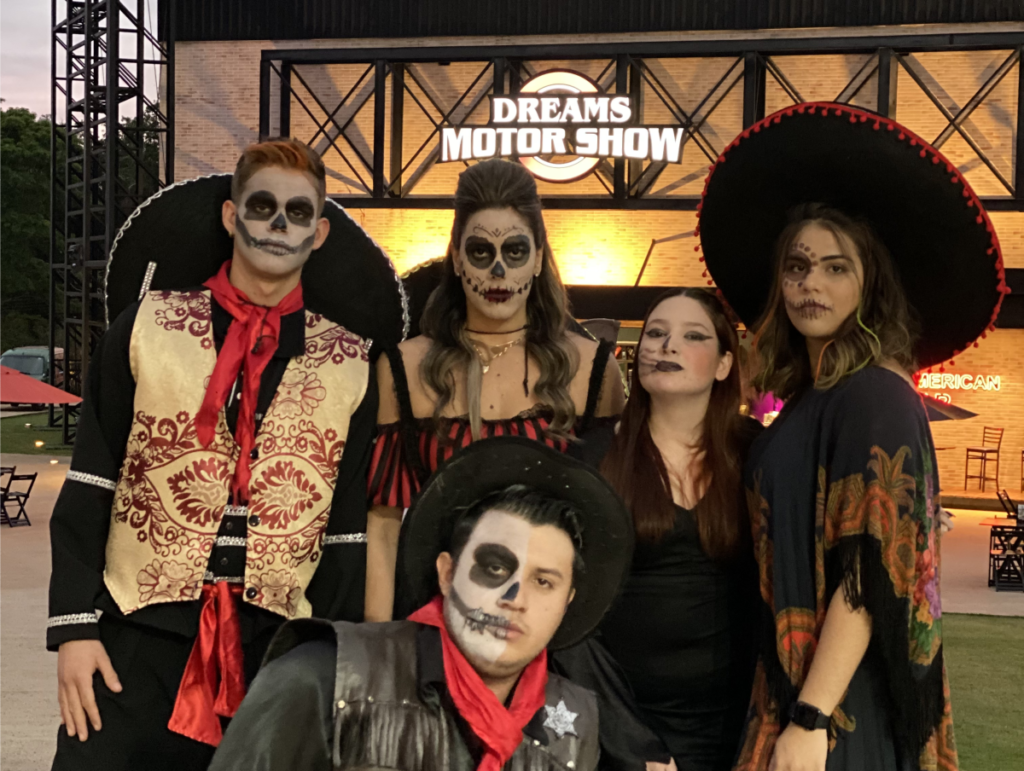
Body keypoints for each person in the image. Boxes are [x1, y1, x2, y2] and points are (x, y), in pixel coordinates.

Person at [47, 138, 406, 770]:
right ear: (231, 215)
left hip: (277, 650)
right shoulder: (147, 327)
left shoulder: (349, 362)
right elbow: (92, 478)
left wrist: (336, 661)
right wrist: (75, 625)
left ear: (318, 233)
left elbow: (345, 533)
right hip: (136, 633)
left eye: (298, 211)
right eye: (262, 205)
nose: (279, 224)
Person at [699, 102, 1007, 771]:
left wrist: (811, 717)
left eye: (836, 267)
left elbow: (869, 569)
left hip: (840, 710)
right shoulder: (813, 400)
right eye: (798, 266)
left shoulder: (874, 394)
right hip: (790, 688)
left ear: (870, 284)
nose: (811, 283)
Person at [207, 436, 635, 771]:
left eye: (543, 582)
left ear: (566, 602)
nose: (514, 599)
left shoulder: (574, 724)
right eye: (494, 568)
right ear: (447, 573)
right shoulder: (323, 675)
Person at [366, 158, 625, 621]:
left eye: (516, 251)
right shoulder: (403, 368)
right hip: (434, 621)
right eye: (481, 252)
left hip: (549, 627)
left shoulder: (592, 369)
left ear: (539, 258)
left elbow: (606, 525)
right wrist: (379, 645)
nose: (499, 272)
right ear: (457, 258)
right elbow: (383, 528)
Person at [553, 288, 762, 771]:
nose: (667, 345)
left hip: (738, 728)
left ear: (725, 364)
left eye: (693, 336)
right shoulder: (594, 457)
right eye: (656, 333)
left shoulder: (757, 453)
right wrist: (631, 744)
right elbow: (565, 612)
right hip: (624, 727)